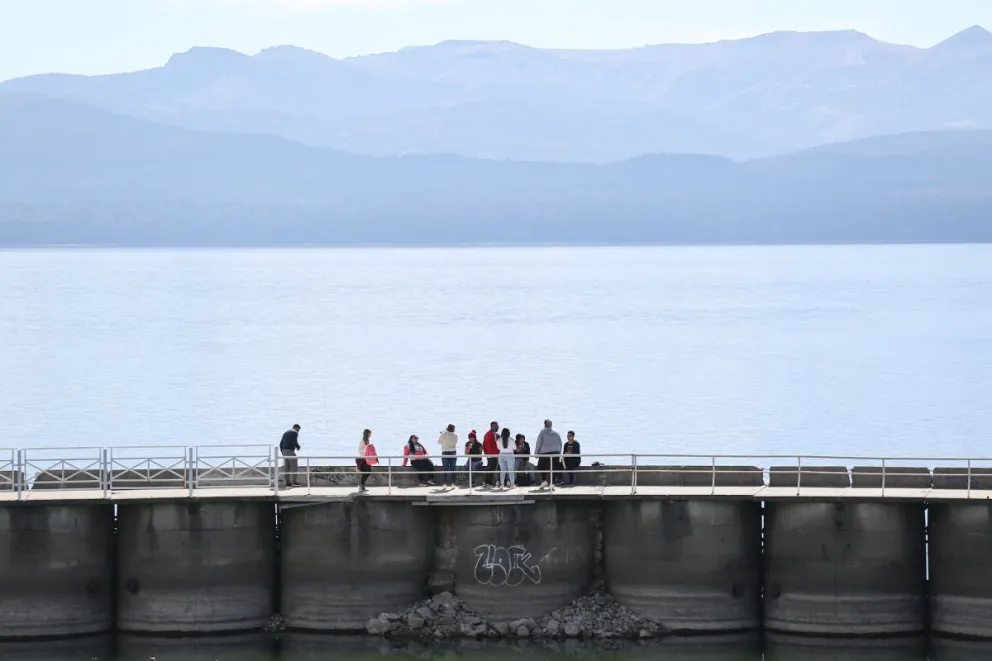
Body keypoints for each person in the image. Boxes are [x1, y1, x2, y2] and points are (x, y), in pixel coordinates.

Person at [534, 419, 563, 487]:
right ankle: (552, 483)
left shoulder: (542, 432)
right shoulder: (556, 433)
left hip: (544, 453)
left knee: (541, 466)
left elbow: (538, 443)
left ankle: (544, 481)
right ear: (551, 425)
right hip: (555, 453)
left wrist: (536, 453)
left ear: (545, 424)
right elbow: (560, 444)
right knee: (553, 468)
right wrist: (559, 454)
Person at [279, 424, 301, 488]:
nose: (298, 431)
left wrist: (282, 452)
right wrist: (298, 446)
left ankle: (287, 482)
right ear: (296, 428)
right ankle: (294, 482)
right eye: (298, 430)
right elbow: (294, 441)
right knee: (294, 465)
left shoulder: (285, 433)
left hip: (284, 451)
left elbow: (281, 443)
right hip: (290, 451)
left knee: (287, 467)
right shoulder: (295, 432)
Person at [356, 429, 377, 493]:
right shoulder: (362, 441)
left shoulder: (367, 440)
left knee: (368, 472)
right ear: (367, 434)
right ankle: (361, 486)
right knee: (367, 472)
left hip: (367, 459)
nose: (370, 435)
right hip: (364, 459)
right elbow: (359, 450)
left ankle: (361, 486)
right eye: (370, 433)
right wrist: (367, 448)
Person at [482, 421, 500, 488]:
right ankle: (488, 483)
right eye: (496, 426)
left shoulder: (486, 434)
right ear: (493, 426)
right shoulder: (493, 435)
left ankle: (486, 482)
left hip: (488, 454)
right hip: (494, 454)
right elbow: (497, 445)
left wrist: (485, 452)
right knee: (492, 469)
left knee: (489, 468)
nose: (498, 427)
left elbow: (483, 444)